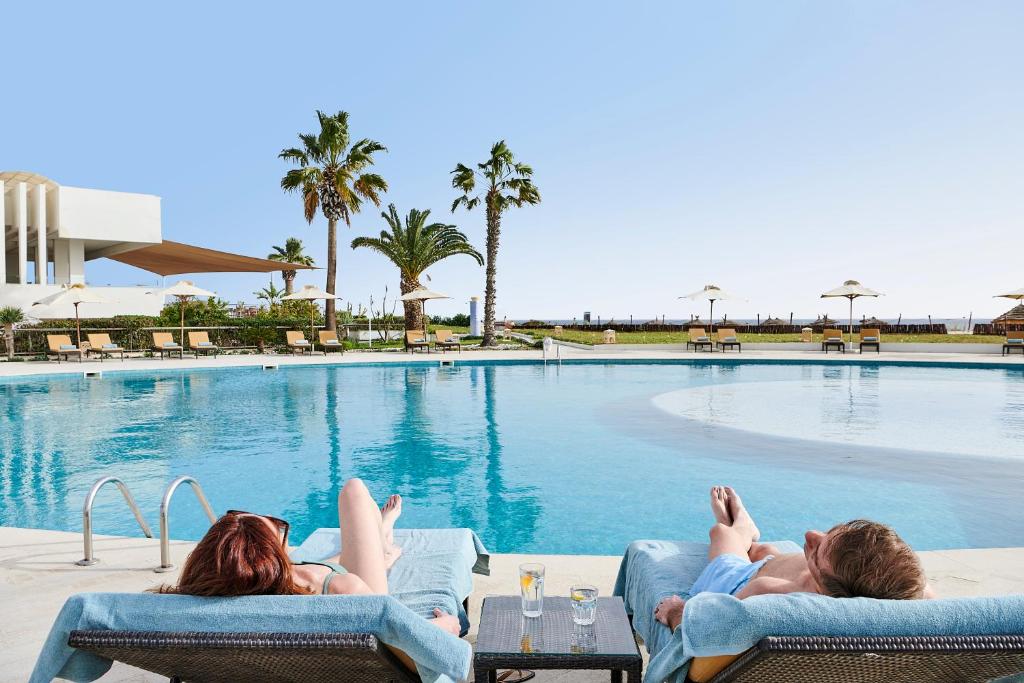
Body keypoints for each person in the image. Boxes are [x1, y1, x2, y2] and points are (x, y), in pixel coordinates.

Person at [158, 478, 461, 639]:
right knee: (354, 491)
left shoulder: (186, 608)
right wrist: (446, 626)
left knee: (332, 559)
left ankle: (380, 538)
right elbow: (401, 639)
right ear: (270, 561)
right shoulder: (343, 590)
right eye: (277, 530)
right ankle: (381, 543)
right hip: (358, 594)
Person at [654, 486, 932, 631]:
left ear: (827, 589)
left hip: (739, 580)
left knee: (722, 535)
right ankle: (751, 541)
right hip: (777, 569)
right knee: (766, 552)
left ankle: (740, 530)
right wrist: (818, 558)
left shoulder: (765, 593)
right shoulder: (913, 598)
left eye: (818, 551)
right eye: (832, 531)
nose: (811, 534)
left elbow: (706, 627)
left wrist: (676, 611)